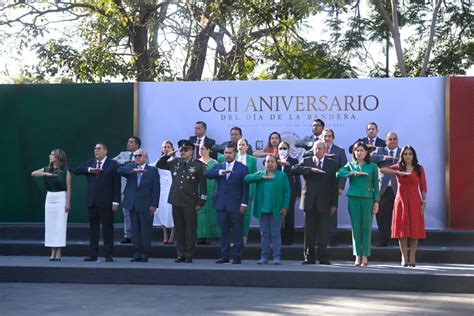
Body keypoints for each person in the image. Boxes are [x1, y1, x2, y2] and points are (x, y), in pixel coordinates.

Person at [156, 139, 207, 263]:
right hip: (176, 200)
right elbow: (159, 164)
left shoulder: (198, 165)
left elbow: (203, 187)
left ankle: (189, 254)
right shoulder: (175, 162)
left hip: (190, 202)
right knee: (179, 229)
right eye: (181, 150)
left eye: (186, 150)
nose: (183, 152)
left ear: (191, 151)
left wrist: (201, 203)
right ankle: (180, 254)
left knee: (190, 230)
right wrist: (167, 155)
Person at [292, 141, 338, 265]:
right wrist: (310, 169)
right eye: (316, 148)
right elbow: (294, 169)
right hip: (309, 202)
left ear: (325, 150)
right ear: (313, 149)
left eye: (321, 148)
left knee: (323, 232)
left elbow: (335, 185)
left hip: (325, 202)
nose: (318, 151)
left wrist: (334, 204)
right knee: (309, 232)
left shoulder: (332, 164)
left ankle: (323, 257)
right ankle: (309, 257)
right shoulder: (306, 161)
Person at [380, 145, 427, 267]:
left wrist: (424, 202)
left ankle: (412, 256)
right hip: (401, 202)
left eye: (410, 153)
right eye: (405, 154)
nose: (407, 156)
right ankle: (404, 256)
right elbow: (382, 170)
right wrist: (397, 172)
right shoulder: (399, 166)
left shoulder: (419, 169)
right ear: (402, 155)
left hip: (415, 201)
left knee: (415, 229)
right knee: (402, 230)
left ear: (413, 155)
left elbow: (423, 187)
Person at [73, 143, 120, 262]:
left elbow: (117, 185)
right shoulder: (91, 162)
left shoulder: (113, 164)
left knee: (107, 229)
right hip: (92, 202)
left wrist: (116, 201)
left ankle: (108, 254)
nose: (96, 151)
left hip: (107, 202)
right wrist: (90, 170)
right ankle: (92, 255)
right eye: (95, 149)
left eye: (98, 149)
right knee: (93, 230)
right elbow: (76, 170)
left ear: (105, 150)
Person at [336, 141, 380, 267]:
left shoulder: (372, 166)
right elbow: (338, 173)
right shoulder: (350, 165)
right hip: (354, 198)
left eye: (361, 150)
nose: (359, 152)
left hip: (367, 199)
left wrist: (376, 201)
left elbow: (376, 186)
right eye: (357, 150)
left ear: (366, 152)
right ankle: (357, 256)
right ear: (354, 152)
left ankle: (365, 256)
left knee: (366, 228)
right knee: (355, 227)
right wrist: (353, 173)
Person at [205, 144, 249, 264]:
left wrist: (244, 204)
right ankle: (224, 256)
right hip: (221, 205)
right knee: (224, 232)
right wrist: (220, 172)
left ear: (235, 154)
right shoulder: (219, 166)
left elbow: (245, 188)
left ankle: (237, 256)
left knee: (237, 232)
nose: (228, 155)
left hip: (236, 205)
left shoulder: (242, 168)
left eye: (230, 153)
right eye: (226, 153)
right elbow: (207, 174)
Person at [245, 154, 290, 265]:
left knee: (275, 234)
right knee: (264, 234)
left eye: (272, 161)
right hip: (263, 210)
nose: (269, 163)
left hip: (277, 210)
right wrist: (260, 177)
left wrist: (285, 207)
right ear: (264, 163)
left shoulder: (282, 176)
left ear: (276, 163)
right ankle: (264, 256)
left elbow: (287, 192)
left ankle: (276, 257)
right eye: (267, 162)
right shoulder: (261, 174)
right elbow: (246, 178)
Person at [118, 148, 160, 262]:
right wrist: (133, 170)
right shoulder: (131, 168)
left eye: (139, 156)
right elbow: (119, 171)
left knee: (146, 231)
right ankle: (136, 254)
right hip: (132, 204)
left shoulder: (152, 170)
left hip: (146, 205)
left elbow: (156, 189)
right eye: (135, 156)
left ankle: (145, 254)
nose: (137, 158)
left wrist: (154, 204)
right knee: (135, 231)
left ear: (145, 157)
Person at [31, 149, 71, 261]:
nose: (50, 156)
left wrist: (68, 202)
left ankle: (58, 252)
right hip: (50, 198)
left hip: (61, 197)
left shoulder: (66, 170)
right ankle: (52, 251)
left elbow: (68, 188)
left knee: (60, 225)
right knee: (51, 226)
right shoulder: (47, 168)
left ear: (58, 157)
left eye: (52, 154)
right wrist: (46, 173)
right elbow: (33, 173)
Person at [371, 132, 401, 247]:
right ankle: (383, 240)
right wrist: (384, 157)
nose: (392, 141)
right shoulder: (380, 151)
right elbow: (370, 158)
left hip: (398, 189)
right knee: (383, 217)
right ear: (386, 141)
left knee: (401, 216)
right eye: (390, 139)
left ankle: (402, 240)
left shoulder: (402, 152)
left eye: (394, 139)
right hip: (383, 190)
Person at [322, 128, 348, 246]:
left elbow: (344, 170)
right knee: (320, 213)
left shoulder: (339, 151)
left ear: (333, 138)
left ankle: (332, 238)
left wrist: (341, 186)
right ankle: (321, 237)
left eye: (329, 136)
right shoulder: (317, 149)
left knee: (332, 213)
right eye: (325, 136)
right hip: (320, 187)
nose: (327, 138)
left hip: (334, 187)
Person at [113, 136, 141, 244]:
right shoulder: (123, 154)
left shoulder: (141, 154)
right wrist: (126, 161)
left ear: (137, 145)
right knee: (126, 212)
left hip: (137, 187)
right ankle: (127, 235)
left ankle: (137, 235)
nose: (128, 144)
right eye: (128, 142)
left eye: (131, 142)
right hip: (125, 188)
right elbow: (113, 161)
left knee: (137, 211)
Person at [277, 141, 301, 245]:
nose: (283, 150)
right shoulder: (274, 161)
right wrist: (277, 162)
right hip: (277, 192)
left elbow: (297, 177)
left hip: (290, 192)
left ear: (288, 149)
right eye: (281, 148)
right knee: (277, 216)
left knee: (289, 215)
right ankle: (278, 238)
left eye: (284, 148)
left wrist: (298, 192)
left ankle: (289, 239)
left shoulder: (293, 161)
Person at [197, 143, 221, 245]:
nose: (200, 151)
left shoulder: (215, 163)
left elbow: (218, 178)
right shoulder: (196, 162)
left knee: (210, 212)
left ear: (208, 150)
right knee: (200, 213)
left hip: (211, 190)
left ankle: (208, 236)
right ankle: (200, 236)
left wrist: (217, 191)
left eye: (202, 149)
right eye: (199, 149)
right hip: (199, 190)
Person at [235, 138, 257, 245]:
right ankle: (236, 237)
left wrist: (252, 192)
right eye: (239, 145)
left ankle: (244, 236)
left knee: (246, 215)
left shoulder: (252, 160)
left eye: (243, 145)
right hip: (234, 191)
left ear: (247, 147)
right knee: (235, 214)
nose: (241, 147)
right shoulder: (232, 157)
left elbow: (253, 177)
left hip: (247, 190)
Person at [153, 140, 175, 244]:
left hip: (172, 189)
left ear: (172, 149)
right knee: (161, 211)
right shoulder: (159, 161)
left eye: (168, 147)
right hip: (162, 190)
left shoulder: (176, 161)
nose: (166, 148)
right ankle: (165, 235)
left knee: (171, 212)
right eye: (164, 147)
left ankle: (172, 235)